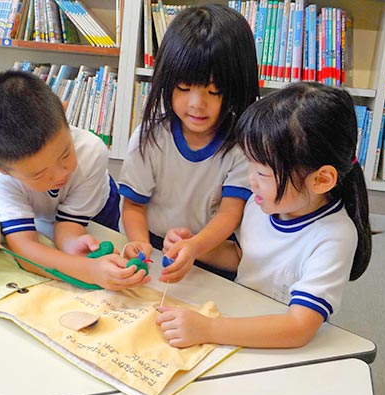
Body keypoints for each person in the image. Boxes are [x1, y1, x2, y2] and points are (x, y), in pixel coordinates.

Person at [157, 82, 372, 348]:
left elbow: (298, 327)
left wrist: (209, 329)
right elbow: (245, 258)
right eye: (250, 166)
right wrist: (195, 247)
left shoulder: (334, 237)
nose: (251, 180)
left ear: (321, 179)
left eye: (262, 174)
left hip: (280, 346)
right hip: (237, 323)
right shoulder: (262, 205)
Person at [0, 70, 149, 291]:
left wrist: (73, 246)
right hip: (47, 217)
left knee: (105, 246)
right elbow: (24, 250)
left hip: (99, 212)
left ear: (64, 114)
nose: (60, 174)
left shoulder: (91, 152)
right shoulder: (2, 182)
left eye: (65, 154)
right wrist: (88, 269)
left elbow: (70, 224)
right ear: (0, 169)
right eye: (39, 174)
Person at [118, 4, 259, 281]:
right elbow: (134, 206)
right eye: (184, 88)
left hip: (210, 252)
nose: (197, 104)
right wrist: (140, 244)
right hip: (153, 246)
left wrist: (195, 246)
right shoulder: (150, 137)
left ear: (235, 86)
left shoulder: (241, 148)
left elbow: (231, 213)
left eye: (213, 90)